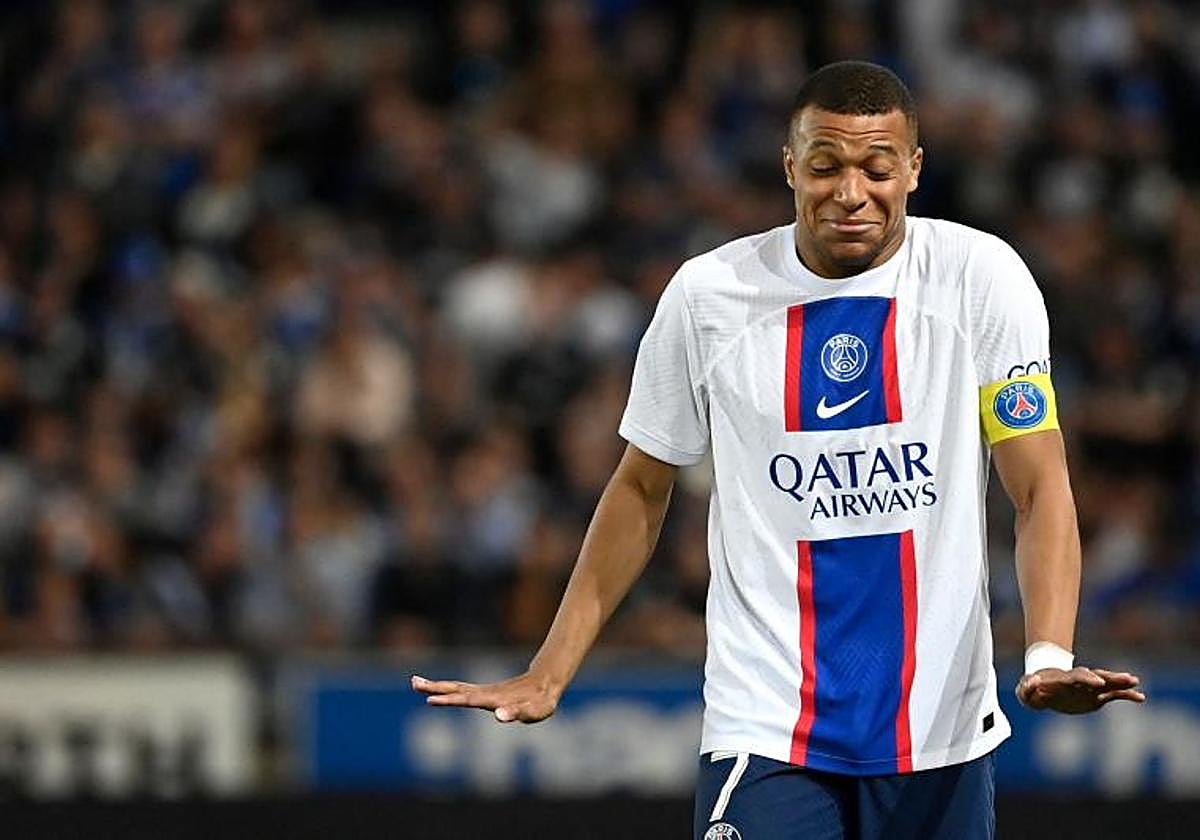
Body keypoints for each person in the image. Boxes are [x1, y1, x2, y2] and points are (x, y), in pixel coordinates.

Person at [412, 60, 1146, 839]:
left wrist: (1046, 655)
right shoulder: (709, 297)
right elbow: (640, 488)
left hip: (938, 725)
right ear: (790, 165)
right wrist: (550, 669)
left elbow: (1039, 486)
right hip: (767, 720)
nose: (851, 192)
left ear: (914, 169)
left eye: (877, 168)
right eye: (826, 166)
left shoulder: (981, 280)